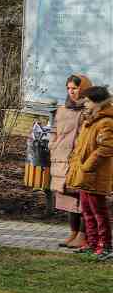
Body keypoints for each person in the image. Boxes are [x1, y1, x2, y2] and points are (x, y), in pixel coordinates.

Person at [66, 85, 113, 259]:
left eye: (87, 101)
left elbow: (106, 148)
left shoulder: (106, 122)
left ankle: (105, 246)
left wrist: (87, 166)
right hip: (84, 174)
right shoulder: (90, 120)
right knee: (87, 211)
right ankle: (92, 243)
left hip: (95, 175)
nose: (84, 104)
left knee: (99, 212)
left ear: (97, 102)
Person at [51, 74, 93, 249]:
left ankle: (83, 236)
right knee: (68, 198)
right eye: (68, 88)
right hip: (61, 160)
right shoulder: (62, 109)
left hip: (80, 160)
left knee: (83, 199)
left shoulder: (91, 109)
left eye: (75, 88)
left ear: (84, 89)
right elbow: (54, 130)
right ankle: (73, 233)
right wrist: (52, 145)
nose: (71, 91)